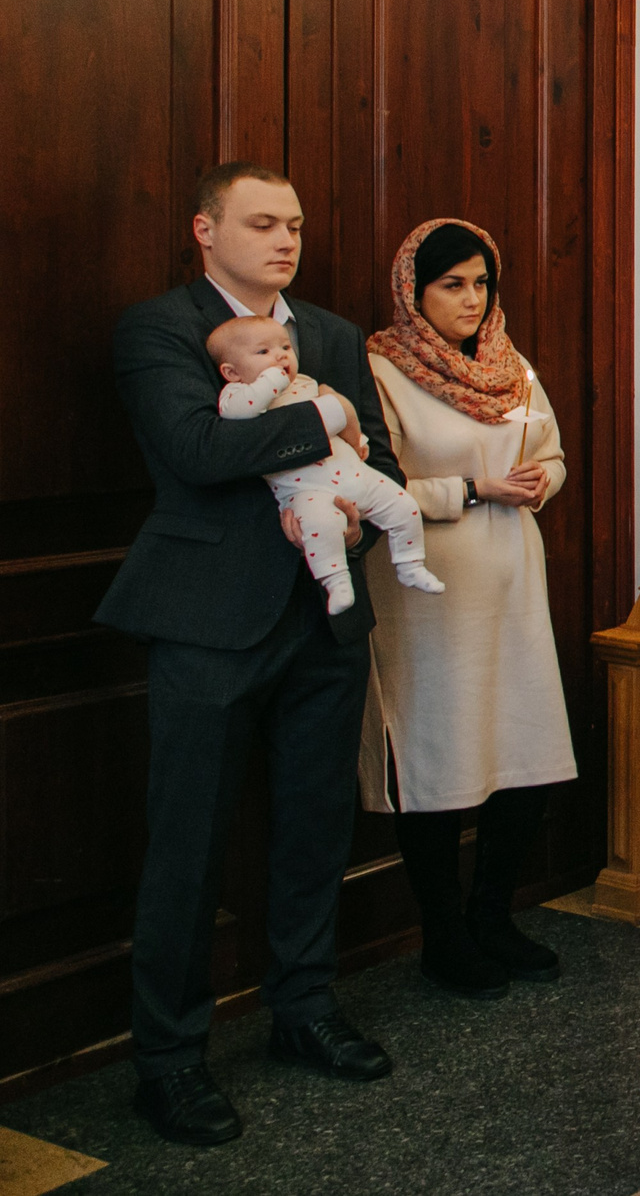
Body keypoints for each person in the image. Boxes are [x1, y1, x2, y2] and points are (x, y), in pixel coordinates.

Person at [97, 163, 401, 1148]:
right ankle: (170, 1061)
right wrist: (319, 419)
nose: (285, 240)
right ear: (204, 228)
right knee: (187, 846)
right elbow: (195, 452)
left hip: (325, 616)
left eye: (296, 225)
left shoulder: (335, 334)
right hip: (205, 620)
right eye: (262, 223)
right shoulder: (159, 330)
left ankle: (304, 1010)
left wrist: (357, 517)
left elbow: (383, 465)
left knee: (313, 827)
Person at [360, 219, 579, 1001]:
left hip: (513, 580)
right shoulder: (382, 370)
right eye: (452, 284)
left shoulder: (509, 364)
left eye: (481, 282)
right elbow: (375, 490)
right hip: (432, 588)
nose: (471, 299)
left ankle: (492, 915)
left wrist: (535, 482)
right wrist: (477, 489)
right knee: (441, 757)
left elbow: (551, 453)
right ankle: (442, 935)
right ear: (413, 292)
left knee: (524, 749)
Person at [208, 316, 443, 615]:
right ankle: (336, 582)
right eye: (263, 352)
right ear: (231, 372)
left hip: (353, 472)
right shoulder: (236, 395)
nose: (281, 356)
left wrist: (357, 439)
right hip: (307, 490)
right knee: (321, 526)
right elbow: (242, 415)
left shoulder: (306, 383)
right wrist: (273, 380)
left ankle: (411, 564)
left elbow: (342, 413)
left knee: (404, 506)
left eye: (284, 347)